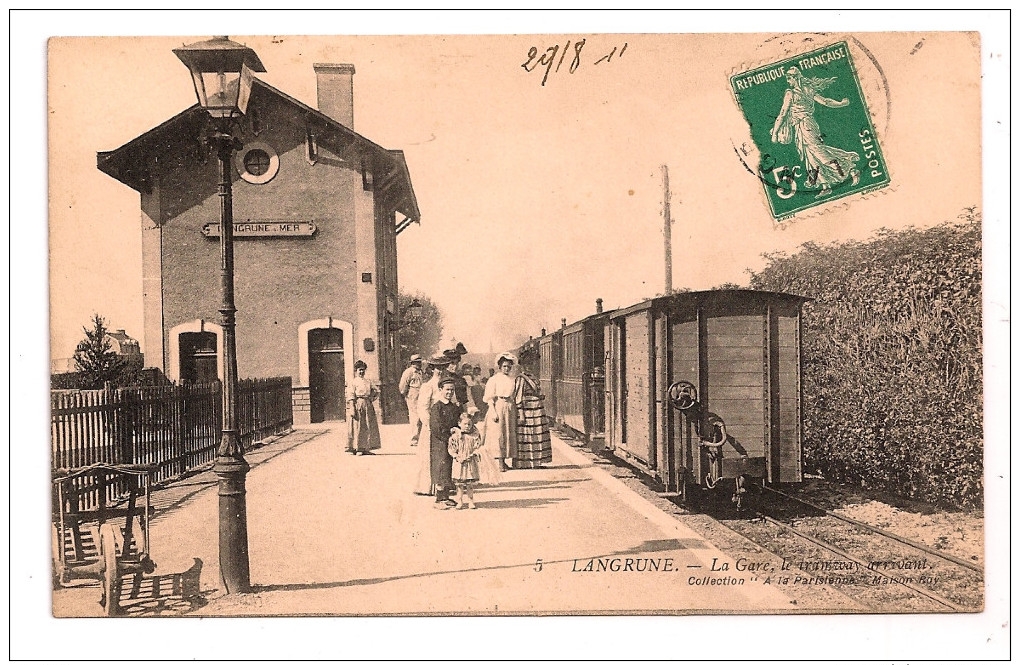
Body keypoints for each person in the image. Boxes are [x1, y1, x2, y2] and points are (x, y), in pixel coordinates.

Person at [770, 66, 861, 198]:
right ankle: (825, 185)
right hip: (805, 125)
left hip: (804, 125)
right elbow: (825, 102)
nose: (788, 81)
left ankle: (849, 169)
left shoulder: (791, 93)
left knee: (819, 152)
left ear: (795, 78)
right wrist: (841, 103)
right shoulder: (809, 90)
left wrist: (775, 133)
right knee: (810, 155)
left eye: (789, 78)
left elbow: (783, 113)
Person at [412, 353, 450, 495]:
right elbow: (422, 407)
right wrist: (430, 424)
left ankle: (444, 485)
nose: (440, 371)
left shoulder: (447, 385)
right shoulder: (428, 386)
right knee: (429, 455)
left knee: (444, 456)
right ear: (432, 369)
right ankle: (427, 486)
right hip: (432, 427)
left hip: (445, 426)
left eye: (443, 367)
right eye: (437, 368)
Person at [483, 353, 519, 471]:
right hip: (498, 405)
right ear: (500, 366)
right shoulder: (494, 379)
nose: (507, 368)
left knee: (508, 433)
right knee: (498, 434)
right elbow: (489, 397)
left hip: (509, 407)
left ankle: (504, 460)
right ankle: (499, 462)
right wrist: (493, 411)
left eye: (509, 366)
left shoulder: (512, 379)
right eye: (504, 366)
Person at [429, 376, 461, 509]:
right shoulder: (437, 407)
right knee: (440, 467)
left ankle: (446, 497)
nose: (449, 392)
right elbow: (436, 426)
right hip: (440, 443)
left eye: (452, 390)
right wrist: (448, 435)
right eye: (447, 389)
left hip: (450, 442)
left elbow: (458, 422)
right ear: (441, 390)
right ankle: (438, 500)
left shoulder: (453, 407)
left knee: (448, 468)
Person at [514, 368, 552, 468]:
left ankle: (536, 463)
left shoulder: (533, 377)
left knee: (537, 435)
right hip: (528, 409)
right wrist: (521, 413)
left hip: (537, 409)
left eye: (531, 363)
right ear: (522, 365)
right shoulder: (521, 378)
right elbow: (518, 397)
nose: (529, 365)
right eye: (526, 363)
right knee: (529, 435)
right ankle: (525, 463)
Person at [447, 412, 484, 509]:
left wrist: (473, 454)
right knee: (459, 485)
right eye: (465, 424)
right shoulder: (455, 436)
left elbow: (478, 447)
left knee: (469, 484)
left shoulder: (474, 436)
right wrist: (457, 456)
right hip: (460, 463)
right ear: (459, 424)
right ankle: (460, 501)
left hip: (470, 462)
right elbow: (451, 449)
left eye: (469, 424)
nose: (467, 426)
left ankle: (471, 501)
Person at [346, 360, 381, 455]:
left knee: (368, 425)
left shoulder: (368, 381)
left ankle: (366, 448)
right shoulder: (353, 382)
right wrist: (352, 408)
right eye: (359, 370)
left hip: (367, 404)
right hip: (358, 404)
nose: (361, 372)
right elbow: (351, 395)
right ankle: (357, 448)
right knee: (358, 426)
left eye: (363, 370)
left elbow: (376, 391)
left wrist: (371, 398)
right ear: (356, 371)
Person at [398, 354, 424, 446]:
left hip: (422, 395)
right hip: (413, 396)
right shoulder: (408, 372)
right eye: (417, 362)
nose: (419, 364)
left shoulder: (421, 372)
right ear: (412, 363)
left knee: (422, 416)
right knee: (415, 417)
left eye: (419, 362)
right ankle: (414, 439)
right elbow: (402, 387)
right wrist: (407, 396)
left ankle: (421, 437)